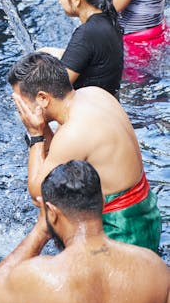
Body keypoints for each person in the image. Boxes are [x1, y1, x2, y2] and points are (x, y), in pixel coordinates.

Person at [0, 161, 170, 303]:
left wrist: (40, 230)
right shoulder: (155, 268)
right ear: (102, 201)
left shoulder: (37, 276)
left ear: (51, 213)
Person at [8, 52, 161, 250]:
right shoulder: (94, 94)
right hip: (145, 213)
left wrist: (36, 135)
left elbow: (39, 193)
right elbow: (61, 156)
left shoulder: (74, 132)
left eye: (21, 103)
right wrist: (45, 128)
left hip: (122, 231)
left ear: (43, 99)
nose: (20, 111)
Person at [41, 0, 123, 96]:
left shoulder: (86, 33)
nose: (59, 2)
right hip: (109, 103)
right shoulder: (109, 20)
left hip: (90, 110)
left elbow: (57, 89)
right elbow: (94, 56)